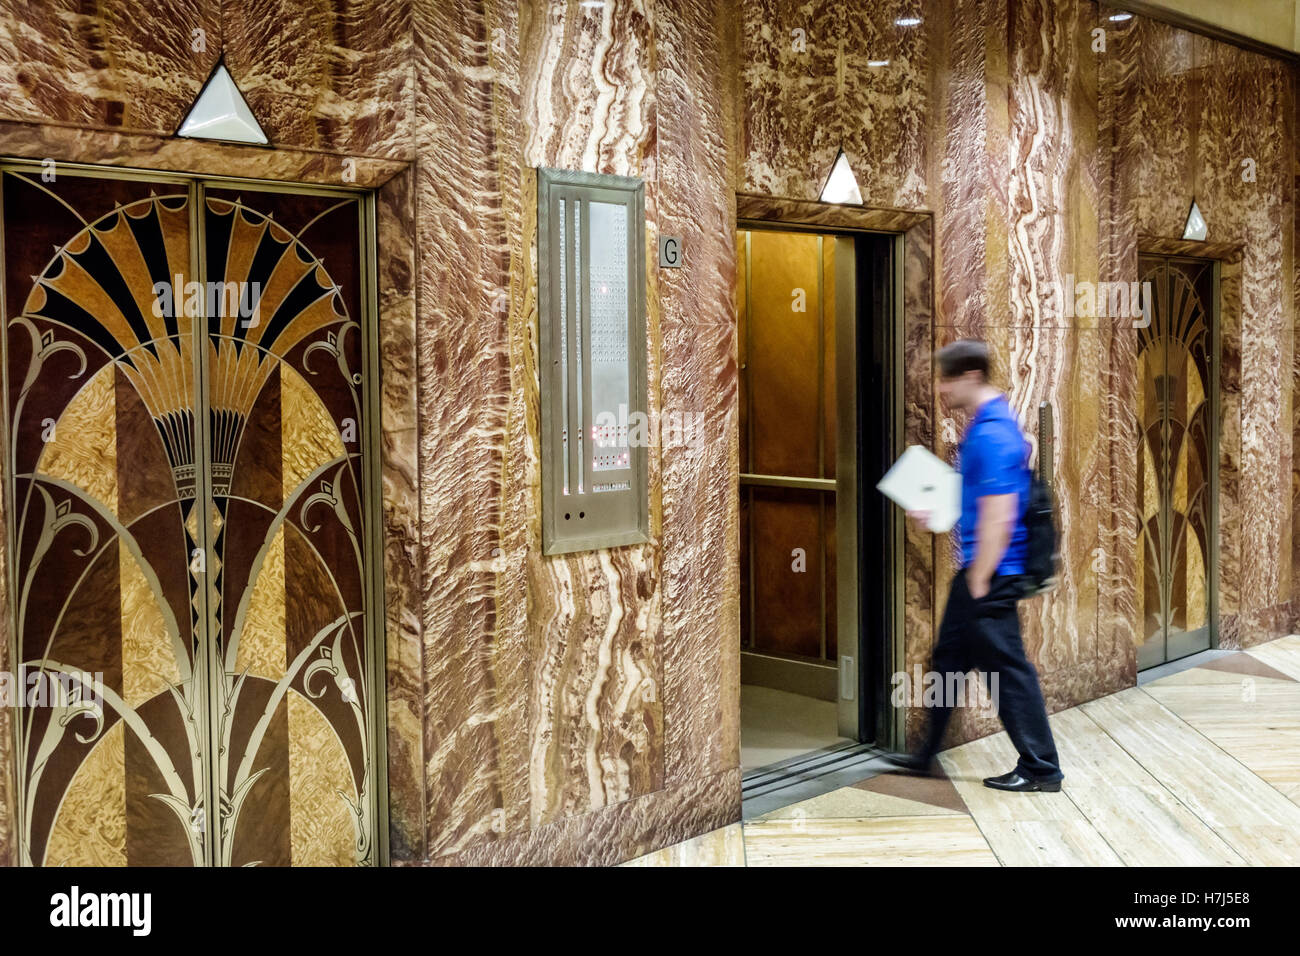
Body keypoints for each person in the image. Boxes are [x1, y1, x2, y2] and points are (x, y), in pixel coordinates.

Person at [883, 339, 1064, 792]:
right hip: (983, 571)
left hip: (993, 573)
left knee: (1008, 672)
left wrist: (981, 577)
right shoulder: (987, 425)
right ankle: (924, 756)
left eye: (946, 379)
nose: (941, 390)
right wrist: (938, 514)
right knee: (948, 662)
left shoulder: (993, 433)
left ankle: (1042, 769)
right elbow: (980, 501)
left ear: (968, 377)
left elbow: (1001, 512)